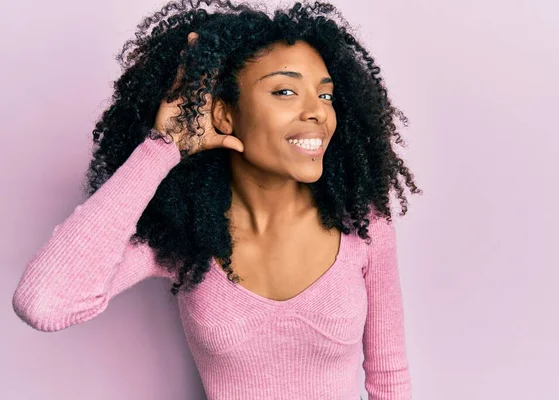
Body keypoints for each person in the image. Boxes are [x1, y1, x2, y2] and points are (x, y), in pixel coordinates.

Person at [12, 0, 422, 398]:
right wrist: (162, 148)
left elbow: (389, 380)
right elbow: (44, 303)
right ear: (224, 115)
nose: (318, 111)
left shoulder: (361, 223)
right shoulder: (184, 236)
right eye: (284, 91)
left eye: (326, 95)